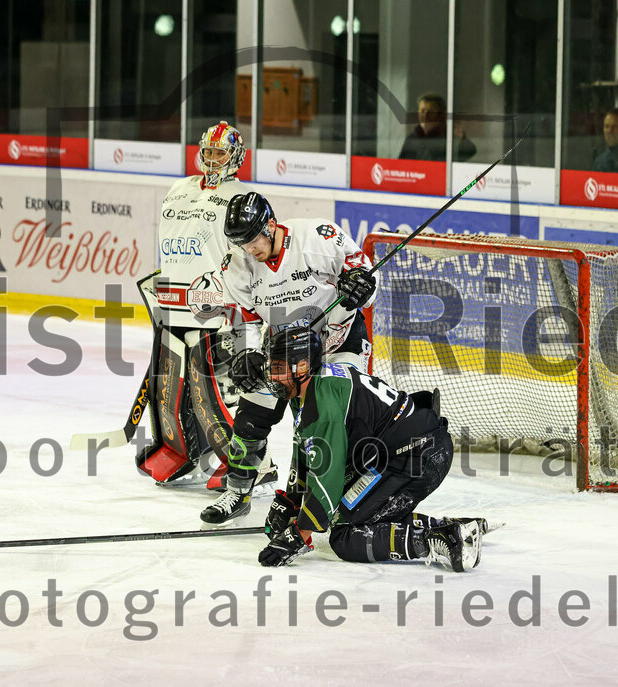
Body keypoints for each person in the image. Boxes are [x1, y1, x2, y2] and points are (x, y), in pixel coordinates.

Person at [199, 192, 377, 525]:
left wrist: (361, 288)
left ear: (271, 224)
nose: (249, 249)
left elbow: (369, 280)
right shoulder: (238, 263)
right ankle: (238, 491)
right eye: (241, 243)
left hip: (339, 338)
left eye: (253, 240)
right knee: (252, 412)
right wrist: (246, 353)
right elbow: (242, 317)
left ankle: (339, 493)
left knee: (338, 415)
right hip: (285, 345)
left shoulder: (319, 237)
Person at [255, 328, 483, 571]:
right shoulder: (311, 387)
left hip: (418, 454)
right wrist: (292, 499)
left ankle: (440, 539)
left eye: (278, 368)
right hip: (409, 449)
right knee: (344, 512)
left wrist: (298, 534)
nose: (272, 375)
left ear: (301, 367)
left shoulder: (323, 406)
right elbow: (306, 448)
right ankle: (452, 528)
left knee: (345, 536)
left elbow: (326, 482)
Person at [135, 121, 272, 491]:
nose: (212, 160)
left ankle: (246, 462)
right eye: (208, 152)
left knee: (215, 391)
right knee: (170, 389)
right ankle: (181, 452)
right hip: (172, 301)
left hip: (217, 306)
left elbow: (249, 256)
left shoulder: (243, 195)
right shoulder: (179, 188)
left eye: (220, 153)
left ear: (236, 156)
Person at [398, 93, 477, 163]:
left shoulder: (449, 135)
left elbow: (469, 152)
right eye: (422, 111)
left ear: (442, 114)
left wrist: (461, 138)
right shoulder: (412, 139)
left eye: (431, 112)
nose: (425, 116)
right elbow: (400, 166)